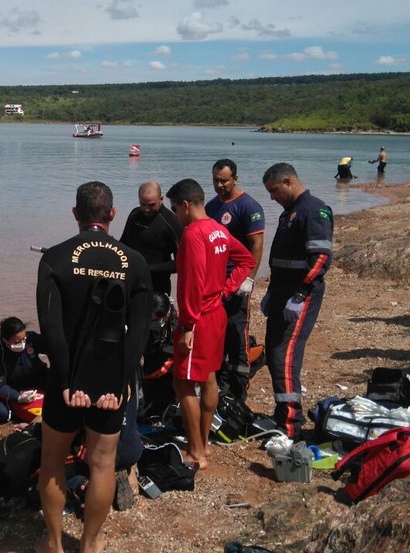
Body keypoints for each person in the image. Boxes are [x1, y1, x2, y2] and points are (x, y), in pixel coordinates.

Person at [35, 181, 151, 553]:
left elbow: (50, 328)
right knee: (103, 465)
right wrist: (120, 382)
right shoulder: (134, 261)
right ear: (112, 214)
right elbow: (140, 331)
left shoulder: (54, 257)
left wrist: (67, 380)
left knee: (52, 463)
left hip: (65, 380)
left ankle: (53, 544)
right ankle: (90, 543)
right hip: (109, 382)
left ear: (75, 214)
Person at [168, 178, 256, 469]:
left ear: (185, 205)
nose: (175, 217)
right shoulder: (220, 229)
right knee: (208, 378)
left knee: (183, 382)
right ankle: (204, 443)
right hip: (216, 312)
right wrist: (227, 288)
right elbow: (246, 260)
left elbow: (192, 281)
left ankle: (195, 451)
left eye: (174, 210)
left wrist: (189, 325)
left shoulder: (193, 234)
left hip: (199, 316)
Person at [261, 164, 333, 440]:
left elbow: (321, 259)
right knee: (274, 351)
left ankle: (291, 425)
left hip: (300, 296)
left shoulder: (313, 210)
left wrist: (300, 295)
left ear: (288, 181)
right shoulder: (289, 212)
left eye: (274, 191)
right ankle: (283, 413)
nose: (272, 197)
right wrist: (272, 292)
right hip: (282, 292)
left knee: (285, 356)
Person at [205, 159, 266, 403]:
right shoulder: (211, 207)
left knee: (236, 331)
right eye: (216, 180)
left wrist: (249, 279)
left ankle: (240, 388)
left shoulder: (248, 206)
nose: (219, 185)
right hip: (215, 283)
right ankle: (220, 381)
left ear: (235, 179)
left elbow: (257, 245)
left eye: (224, 180)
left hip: (238, 281)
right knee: (216, 333)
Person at [118, 180, 184, 296]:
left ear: (161, 199)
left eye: (151, 205)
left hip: (157, 286)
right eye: (143, 204)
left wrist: (147, 269)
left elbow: (181, 263)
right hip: (131, 282)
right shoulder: (135, 214)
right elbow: (123, 245)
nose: (146, 209)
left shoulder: (171, 221)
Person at [0, 316, 49, 423]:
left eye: (23, 339)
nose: (22, 343)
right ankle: (0, 402)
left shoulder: (31, 338)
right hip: (12, 386)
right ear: (5, 340)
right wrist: (18, 397)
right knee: (2, 415)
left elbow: (53, 348)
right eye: (17, 342)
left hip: (37, 377)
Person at [138, 292, 177, 420]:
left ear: (166, 315)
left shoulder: (174, 329)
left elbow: (166, 366)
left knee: (141, 412)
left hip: (161, 379)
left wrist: (142, 375)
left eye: (155, 320)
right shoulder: (139, 321)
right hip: (143, 375)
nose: (152, 324)